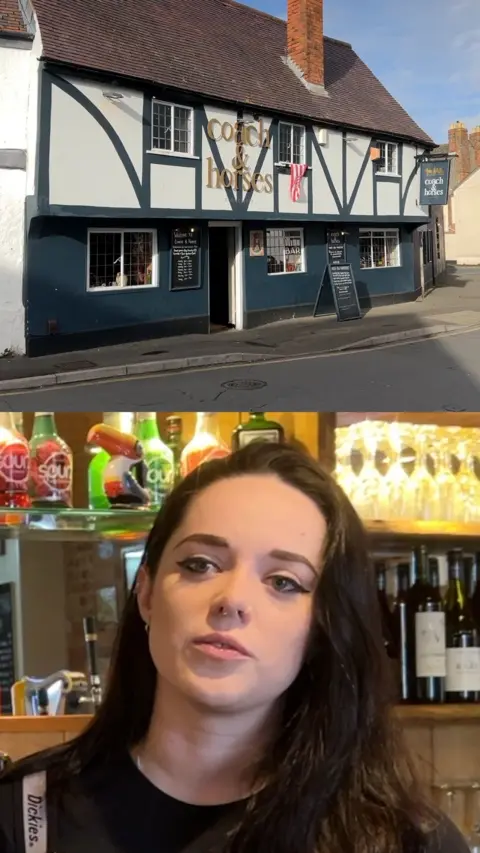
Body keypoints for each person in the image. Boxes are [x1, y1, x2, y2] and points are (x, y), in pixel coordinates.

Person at [0, 442, 468, 853]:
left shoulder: (406, 841)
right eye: (201, 564)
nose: (232, 601)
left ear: (324, 626)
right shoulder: (25, 816)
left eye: (284, 582)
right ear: (145, 592)